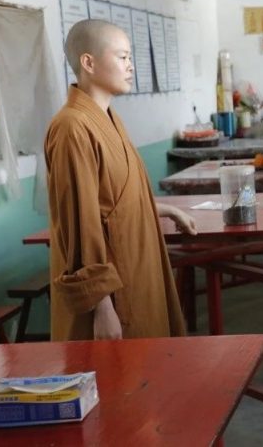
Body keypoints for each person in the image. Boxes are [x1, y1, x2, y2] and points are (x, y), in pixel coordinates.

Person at [46, 19, 197, 341]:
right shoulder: (73, 128)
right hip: (111, 291)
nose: (131, 67)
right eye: (123, 57)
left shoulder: (108, 118)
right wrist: (101, 306)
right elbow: (81, 223)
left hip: (137, 269)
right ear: (88, 62)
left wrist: (167, 210)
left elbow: (113, 203)